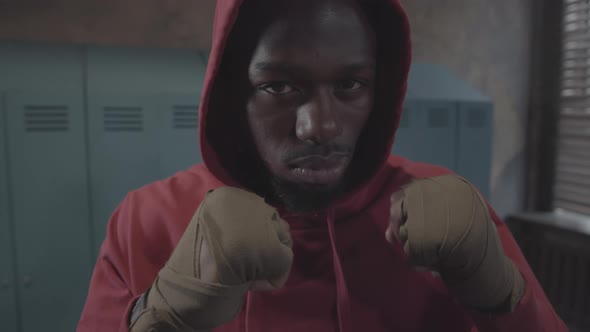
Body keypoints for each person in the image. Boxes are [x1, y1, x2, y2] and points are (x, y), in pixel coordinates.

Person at [77, 0, 567, 331]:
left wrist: (500, 296)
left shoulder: (451, 213)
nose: (320, 128)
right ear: (232, 93)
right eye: (279, 86)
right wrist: (157, 316)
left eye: (351, 85)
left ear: (382, 89)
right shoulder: (146, 220)